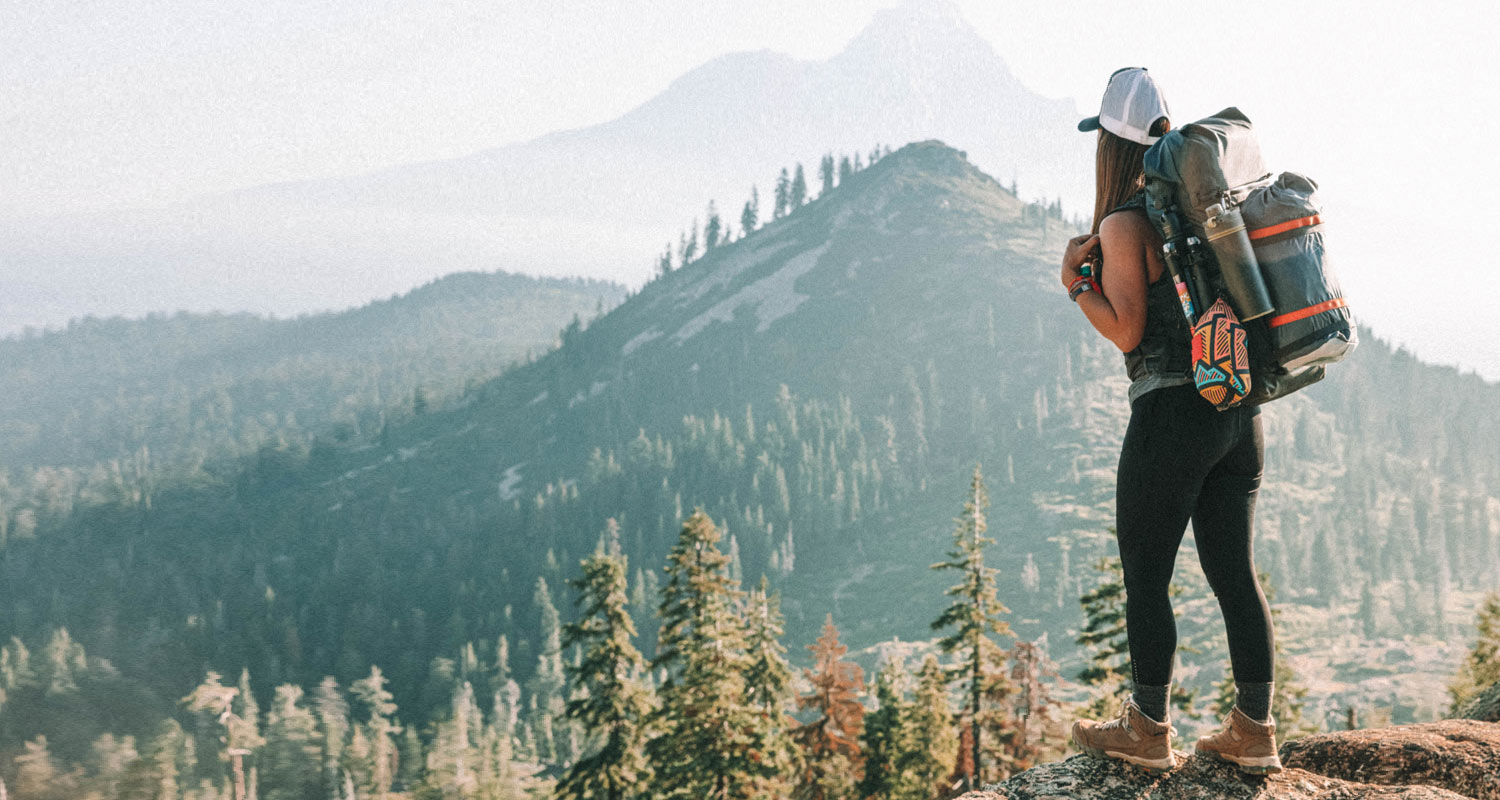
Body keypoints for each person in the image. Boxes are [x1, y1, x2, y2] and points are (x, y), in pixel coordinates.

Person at [1060, 67, 1283, 775]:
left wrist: (1074, 288)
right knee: (1233, 574)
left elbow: (1128, 332)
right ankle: (1254, 729)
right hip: (1236, 409)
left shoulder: (1124, 224)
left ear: (1111, 146)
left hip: (1172, 414)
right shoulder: (1199, 210)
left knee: (1146, 576)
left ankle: (1148, 730)